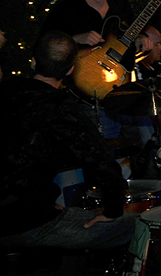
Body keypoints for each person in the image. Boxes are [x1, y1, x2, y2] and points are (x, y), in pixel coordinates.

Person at [0, 30, 137, 251]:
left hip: (27, 210)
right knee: (138, 225)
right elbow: (103, 164)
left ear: (33, 62)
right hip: (22, 223)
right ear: (71, 69)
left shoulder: (5, 90)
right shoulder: (61, 109)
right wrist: (112, 210)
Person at [42, 0, 152, 140]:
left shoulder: (121, 6)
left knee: (149, 147)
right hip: (89, 98)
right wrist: (75, 38)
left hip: (126, 91)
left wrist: (140, 37)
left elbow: (127, 33)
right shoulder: (64, 11)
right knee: (103, 151)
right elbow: (45, 45)